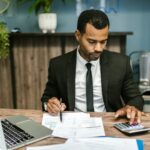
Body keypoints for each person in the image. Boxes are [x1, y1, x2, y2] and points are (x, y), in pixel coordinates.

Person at [41, 9, 144, 124]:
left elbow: (136, 99)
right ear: (78, 35)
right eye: (91, 41)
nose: (99, 48)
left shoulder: (121, 63)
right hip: (72, 125)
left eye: (103, 41)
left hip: (109, 123)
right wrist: (49, 104)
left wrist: (131, 107)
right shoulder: (58, 65)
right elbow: (46, 99)